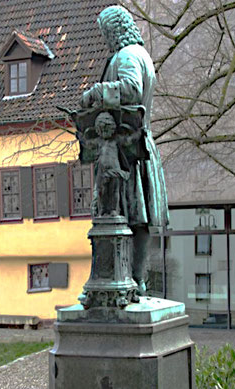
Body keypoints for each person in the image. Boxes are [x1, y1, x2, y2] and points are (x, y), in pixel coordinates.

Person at [80, 5, 169, 295]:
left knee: (120, 212)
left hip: (125, 147)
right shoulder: (143, 56)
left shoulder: (128, 55)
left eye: (106, 33)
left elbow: (130, 88)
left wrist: (97, 92)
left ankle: (119, 280)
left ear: (116, 30)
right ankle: (136, 280)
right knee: (138, 214)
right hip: (138, 145)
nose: (106, 39)